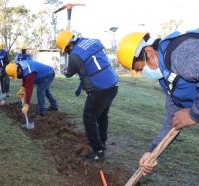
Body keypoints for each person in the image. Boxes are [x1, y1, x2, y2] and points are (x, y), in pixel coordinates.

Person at [116, 30, 199, 176]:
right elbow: (173, 117)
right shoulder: (165, 79)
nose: (145, 73)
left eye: (141, 69)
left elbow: (189, 115)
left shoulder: (180, 52)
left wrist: (193, 114)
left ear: (149, 52)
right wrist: (153, 151)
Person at [56, 31, 119, 162]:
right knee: (101, 116)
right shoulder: (94, 41)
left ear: (70, 46)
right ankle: (102, 142)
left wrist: (63, 69)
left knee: (89, 118)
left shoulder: (74, 55)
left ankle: (99, 152)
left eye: (66, 50)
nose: (68, 53)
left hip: (100, 89)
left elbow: (68, 73)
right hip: (112, 85)